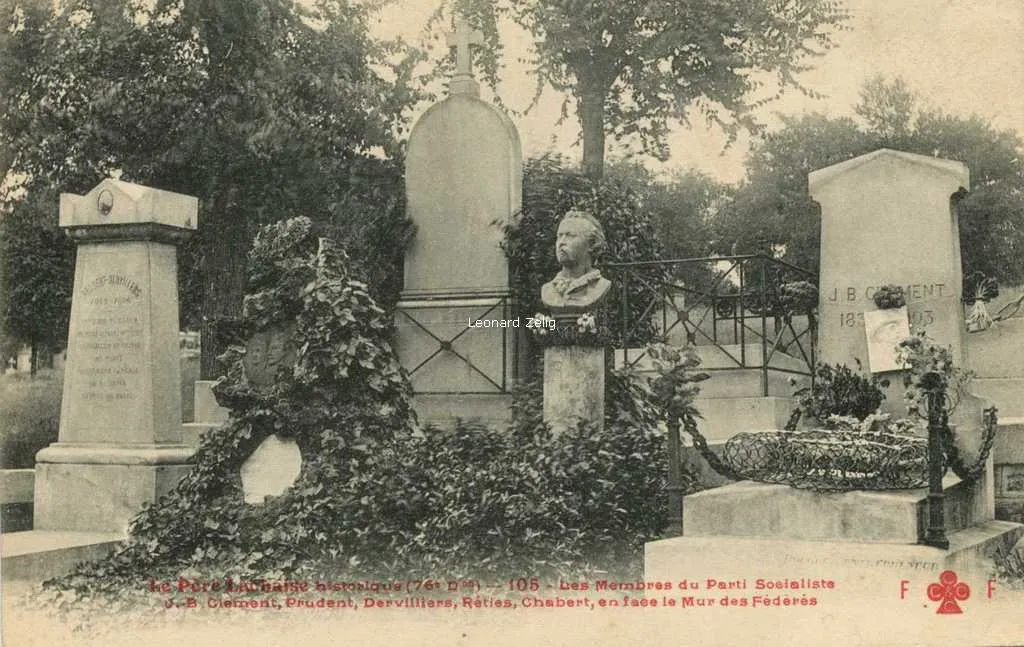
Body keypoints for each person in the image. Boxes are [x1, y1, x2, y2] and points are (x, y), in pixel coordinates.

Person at [540, 209, 611, 313]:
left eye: (570, 236)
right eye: (559, 236)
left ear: (591, 244)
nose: (561, 242)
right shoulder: (548, 289)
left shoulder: (600, 286)